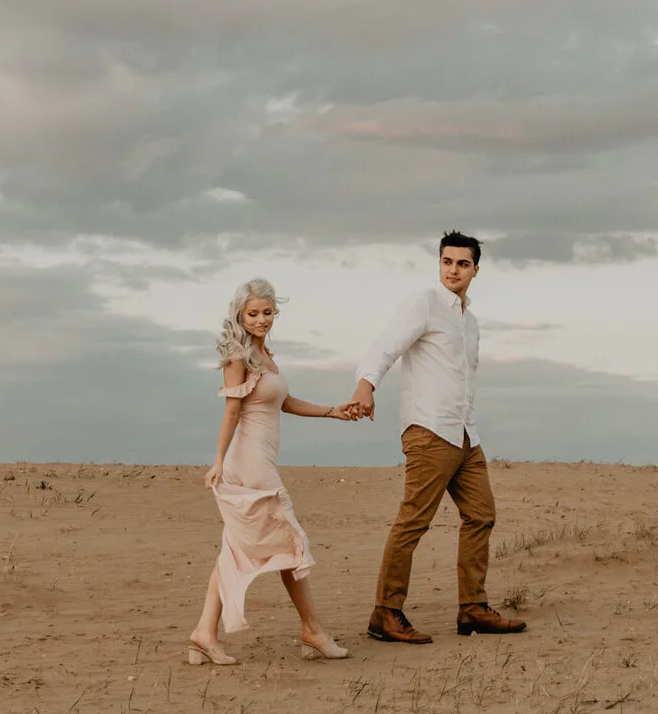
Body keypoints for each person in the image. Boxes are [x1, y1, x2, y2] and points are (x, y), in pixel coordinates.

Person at [347, 231, 527, 643]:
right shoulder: (423, 304)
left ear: (475, 270)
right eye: (447, 262)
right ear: (439, 264)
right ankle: (386, 613)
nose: (453, 270)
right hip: (429, 430)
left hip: (464, 432)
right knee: (414, 521)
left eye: (463, 264)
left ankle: (472, 609)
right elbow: (386, 346)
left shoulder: (471, 322)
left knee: (481, 514)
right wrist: (365, 387)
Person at [187, 278, 361, 665]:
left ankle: (203, 633)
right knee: (290, 544)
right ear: (239, 315)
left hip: (261, 459)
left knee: (236, 550)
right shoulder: (237, 357)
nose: (262, 319)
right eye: (254, 314)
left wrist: (332, 410)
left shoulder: (264, 354)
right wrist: (217, 461)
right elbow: (232, 411)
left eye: (268, 313)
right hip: (248, 464)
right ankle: (313, 631)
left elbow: (285, 402)